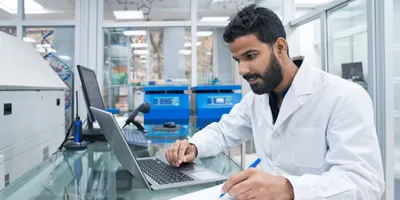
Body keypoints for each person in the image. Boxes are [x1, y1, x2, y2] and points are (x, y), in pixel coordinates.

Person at [165, 4, 384, 200]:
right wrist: (194, 146)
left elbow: (365, 183)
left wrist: (290, 189)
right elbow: (223, 131)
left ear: (280, 47)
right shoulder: (256, 100)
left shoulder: (343, 96)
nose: (242, 70)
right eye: (237, 60)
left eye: (250, 56)